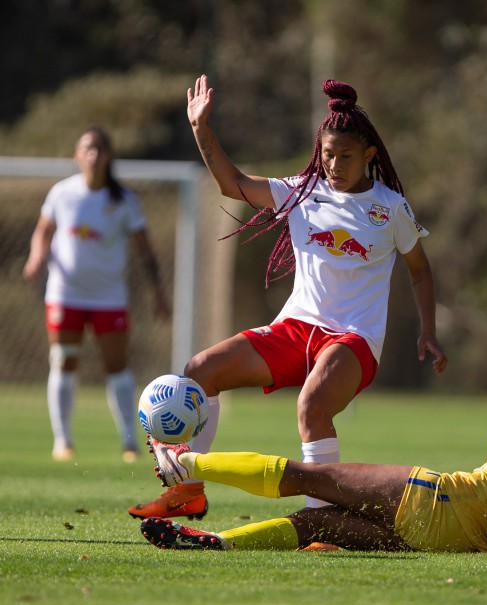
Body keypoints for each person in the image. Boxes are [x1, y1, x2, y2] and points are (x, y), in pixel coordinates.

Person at [128, 75, 448, 521]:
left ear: (370, 155)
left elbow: (420, 271)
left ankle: (323, 520)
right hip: (296, 329)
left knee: (312, 406)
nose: (334, 164)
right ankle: (187, 491)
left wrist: (428, 330)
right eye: (328, 154)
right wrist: (202, 129)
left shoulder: (390, 207)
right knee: (202, 370)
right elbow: (231, 183)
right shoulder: (301, 191)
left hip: (353, 338)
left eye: (346, 156)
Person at [138, 346, 487, 558]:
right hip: (453, 542)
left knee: (309, 478)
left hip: (435, 499)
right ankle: (215, 542)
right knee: (319, 522)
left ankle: (183, 461)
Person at [22, 126, 171, 463]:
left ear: (109, 156)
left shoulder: (125, 201)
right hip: (64, 294)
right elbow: (42, 231)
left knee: (117, 367)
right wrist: (35, 256)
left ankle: (130, 442)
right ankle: (63, 441)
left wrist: (159, 293)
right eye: (86, 148)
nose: (93, 154)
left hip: (109, 298)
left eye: (99, 148)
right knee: (63, 361)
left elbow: (146, 252)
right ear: (76, 156)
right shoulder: (62, 193)